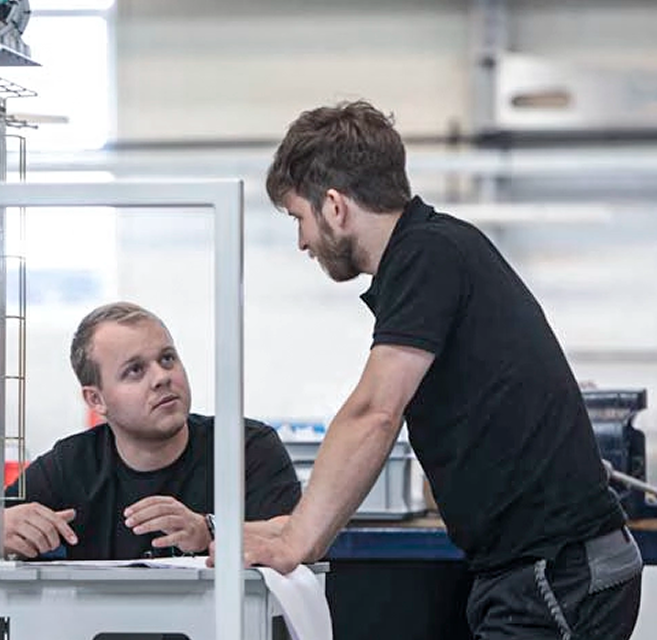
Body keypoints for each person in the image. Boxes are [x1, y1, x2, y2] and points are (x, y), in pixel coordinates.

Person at [228, 100, 642, 639]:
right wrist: (284, 530)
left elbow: (375, 412)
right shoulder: (437, 250)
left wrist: (298, 541)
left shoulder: (426, 255)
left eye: (297, 218)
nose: (302, 241)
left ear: (334, 205)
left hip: (556, 573)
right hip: (538, 569)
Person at [0, 301, 300, 562]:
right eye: (135, 371)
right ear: (96, 400)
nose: (162, 377)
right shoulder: (71, 465)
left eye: (167, 359)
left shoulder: (245, 447)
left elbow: (298, 535)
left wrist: (208, 529)